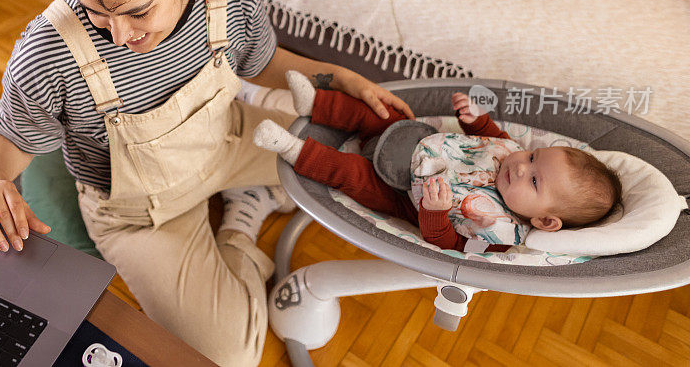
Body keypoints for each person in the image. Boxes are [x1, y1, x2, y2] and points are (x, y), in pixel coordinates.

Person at [0, 0, 413, 366]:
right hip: (140, 214)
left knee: (354, 153)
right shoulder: (48, 51)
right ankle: (242, 222)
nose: (117, 34)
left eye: (137, 12)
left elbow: (263, 64)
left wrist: (339, 76)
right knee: (230, 357)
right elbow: (6, 137)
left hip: (226, 138)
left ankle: (248, 194)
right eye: (98, 12)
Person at [254, 71, 622, 251]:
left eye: (535, 182)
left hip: (401, 193)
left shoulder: (500, 233)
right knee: (382, 117)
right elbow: (495, 138)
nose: (522, 166)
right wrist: (475, 119)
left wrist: (435, 211)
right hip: (415, 141)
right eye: (533, 156)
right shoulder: (511, 156)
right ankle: (317, 104)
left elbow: (445, 244)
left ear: (544, 219)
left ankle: (291, 148)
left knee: (351, 174)